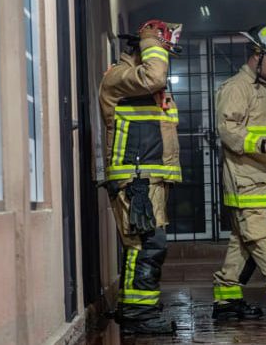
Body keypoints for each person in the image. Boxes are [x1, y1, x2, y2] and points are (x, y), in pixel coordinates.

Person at [98, 19, 183, 336]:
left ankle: (138, 308)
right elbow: (155, 73)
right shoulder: (121, 78)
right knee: (146, 244)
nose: (164, 58)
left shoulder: (143, 86)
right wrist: (151, 41)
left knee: (147, 244)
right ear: (143, 49)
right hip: (136, 178)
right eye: (161, 50)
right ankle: (139, 314)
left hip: (148, 177)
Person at [212, 24, 266, 320]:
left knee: (242, 244)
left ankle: (226, 299)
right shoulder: (237, 88)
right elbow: (227, 130)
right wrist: (261, 143)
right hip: (248, 186)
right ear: (257, 55)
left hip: (262, 182)